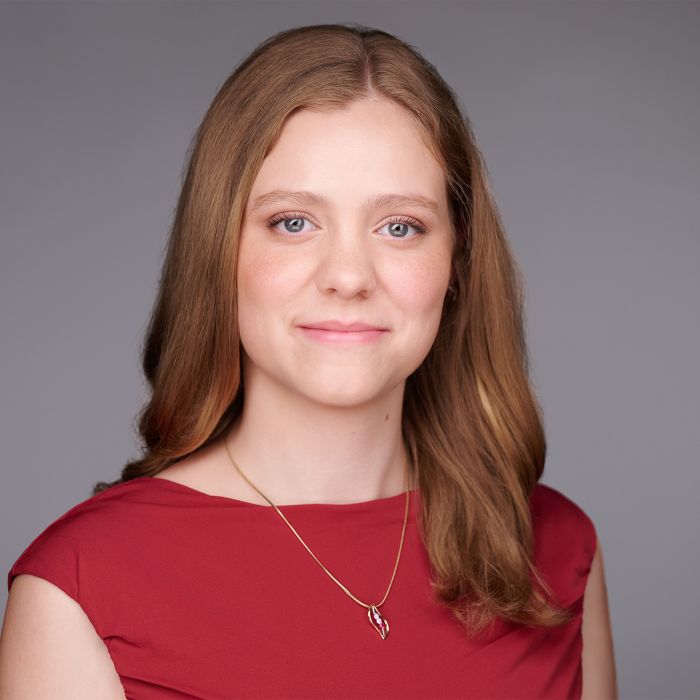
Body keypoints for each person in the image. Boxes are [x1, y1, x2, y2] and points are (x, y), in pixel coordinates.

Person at [0, 22, 617, 699]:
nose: (348, 276)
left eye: (400, 226)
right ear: (220, 250)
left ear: (457, 260)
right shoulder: (81, 585)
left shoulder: (559, 546)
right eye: (293, 222)